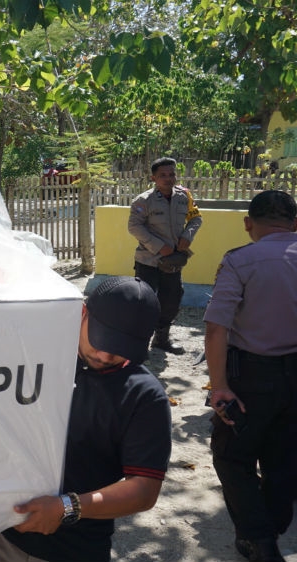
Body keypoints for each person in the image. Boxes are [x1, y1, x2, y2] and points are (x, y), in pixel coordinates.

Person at [0, 276, 172, 562]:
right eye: (101, 338)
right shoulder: (33, 356)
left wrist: (67, 507)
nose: (105, 353)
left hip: (75, 550)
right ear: (82, 313)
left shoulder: (144, 397)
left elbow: (144, 490)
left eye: (121, 347)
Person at [203, 190, 297, 562]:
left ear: (248, 224)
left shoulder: (240, 261)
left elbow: (215, 328)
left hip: (252, 379)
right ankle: (273, 526)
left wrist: (220, 386)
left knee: (232, 457)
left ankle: (259, 541)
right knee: (284, 456)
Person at [128, 156, 203, 354]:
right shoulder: (143, 201)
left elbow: (196, 218)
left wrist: (188, 236)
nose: (169, 178)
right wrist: (159, 246)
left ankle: (161, 340)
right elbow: (134, 226)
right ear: (153, 178)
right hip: (148, 260)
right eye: (163, 175)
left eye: (172, 174)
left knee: (171, 300)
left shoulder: (184, 196)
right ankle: (139, 345)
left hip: (173, 261)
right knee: (145, 302)